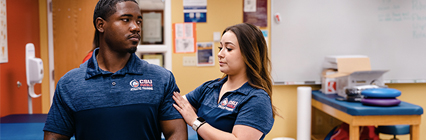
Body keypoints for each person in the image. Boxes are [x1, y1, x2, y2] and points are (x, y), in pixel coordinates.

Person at [43, 0, 187, 139]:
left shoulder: (161, 78)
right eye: (126, 20)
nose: (136, 27)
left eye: (139, 21)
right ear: (101, 25)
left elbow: (176, 133)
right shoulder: (70, 84)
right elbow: (55, 137)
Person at [172, 23, 276, 140]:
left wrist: (195, 122)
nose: (220, 54)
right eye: (220, 48)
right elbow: (177, 105)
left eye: (229, 49)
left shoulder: (257, 99)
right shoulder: (210, 88)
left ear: (249, 53)